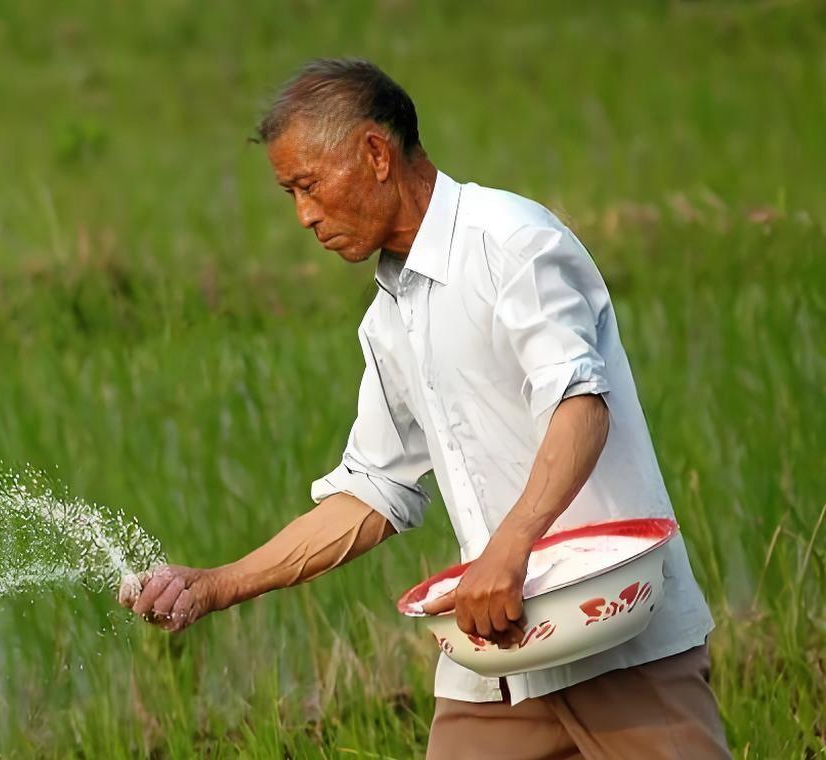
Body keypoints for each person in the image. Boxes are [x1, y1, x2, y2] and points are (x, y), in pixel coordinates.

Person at [117, 59, 729, 759]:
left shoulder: (514, 246)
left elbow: (581, 405)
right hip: (497, 660)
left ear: (375, 154)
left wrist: (509, 544)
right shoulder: (389, 318)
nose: (304, 216)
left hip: (616, 634)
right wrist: (217, 586)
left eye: (308, 186)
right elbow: (371, 494)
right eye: (291, 194)